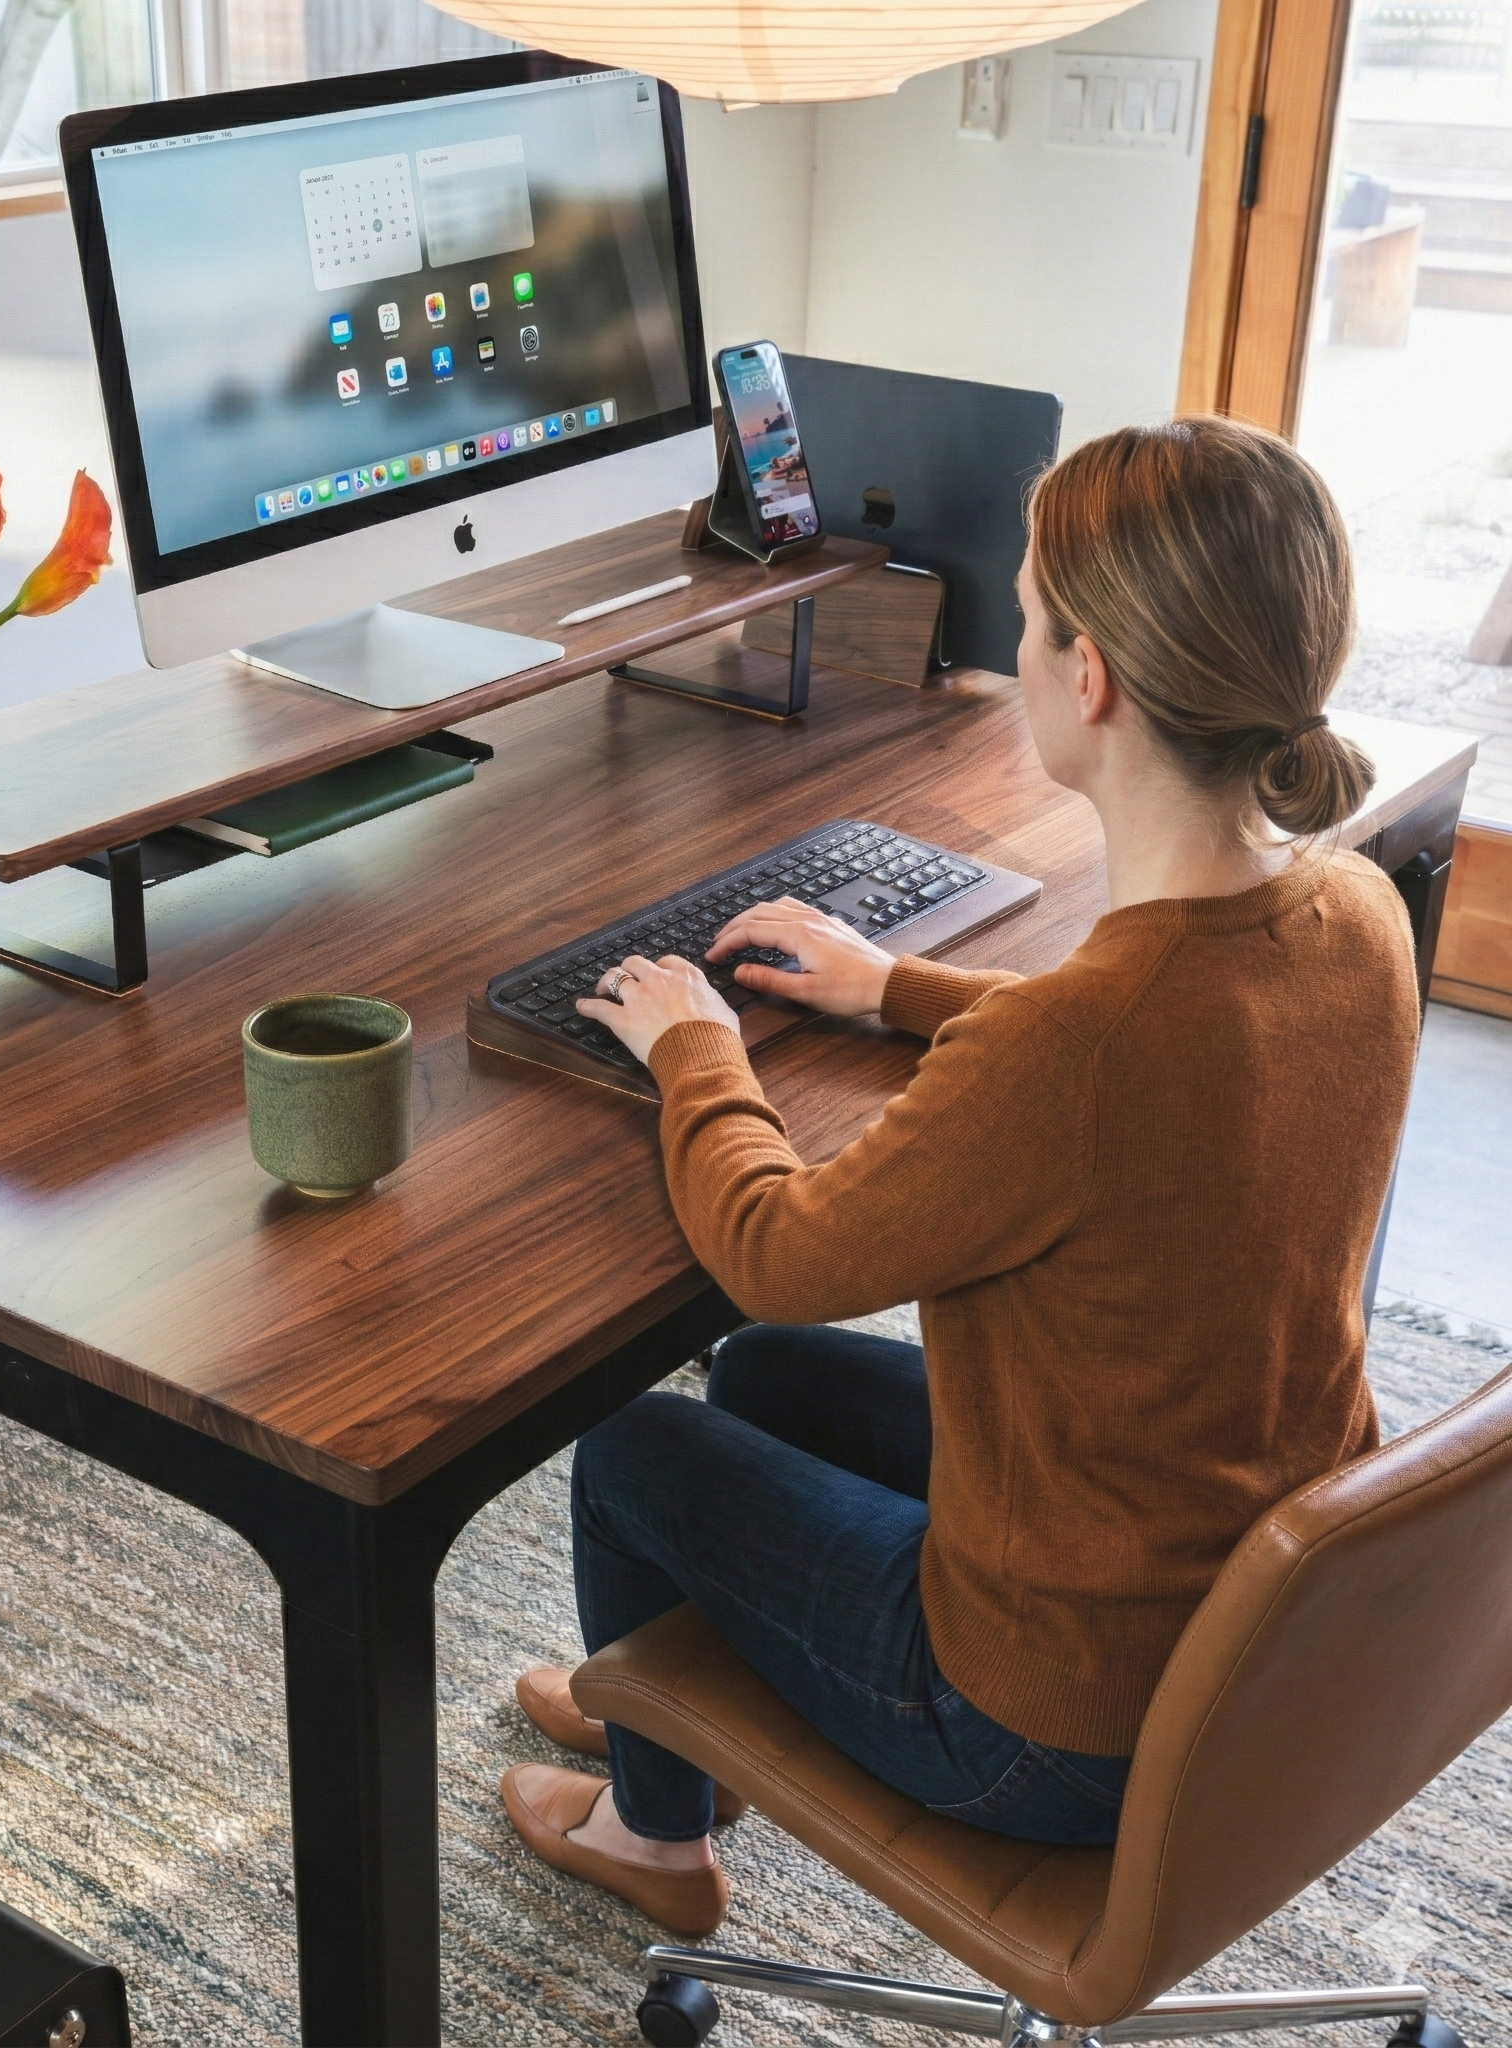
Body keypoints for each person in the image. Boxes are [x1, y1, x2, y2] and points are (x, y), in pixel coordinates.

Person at [500, 415, 1420, 1936]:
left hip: (1051, 1729)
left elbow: (775, 1244)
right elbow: (1153, 1065)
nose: (1020, 627)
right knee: (774, 1381)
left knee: (636, 1451)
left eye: (1032, 606)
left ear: (1091, 678)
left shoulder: (1081, 1049)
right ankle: (671, 1703)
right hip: (1251, 1621)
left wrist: (694, 1049)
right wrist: (896, 989)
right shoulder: (1356, 920)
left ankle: (654, 1838)